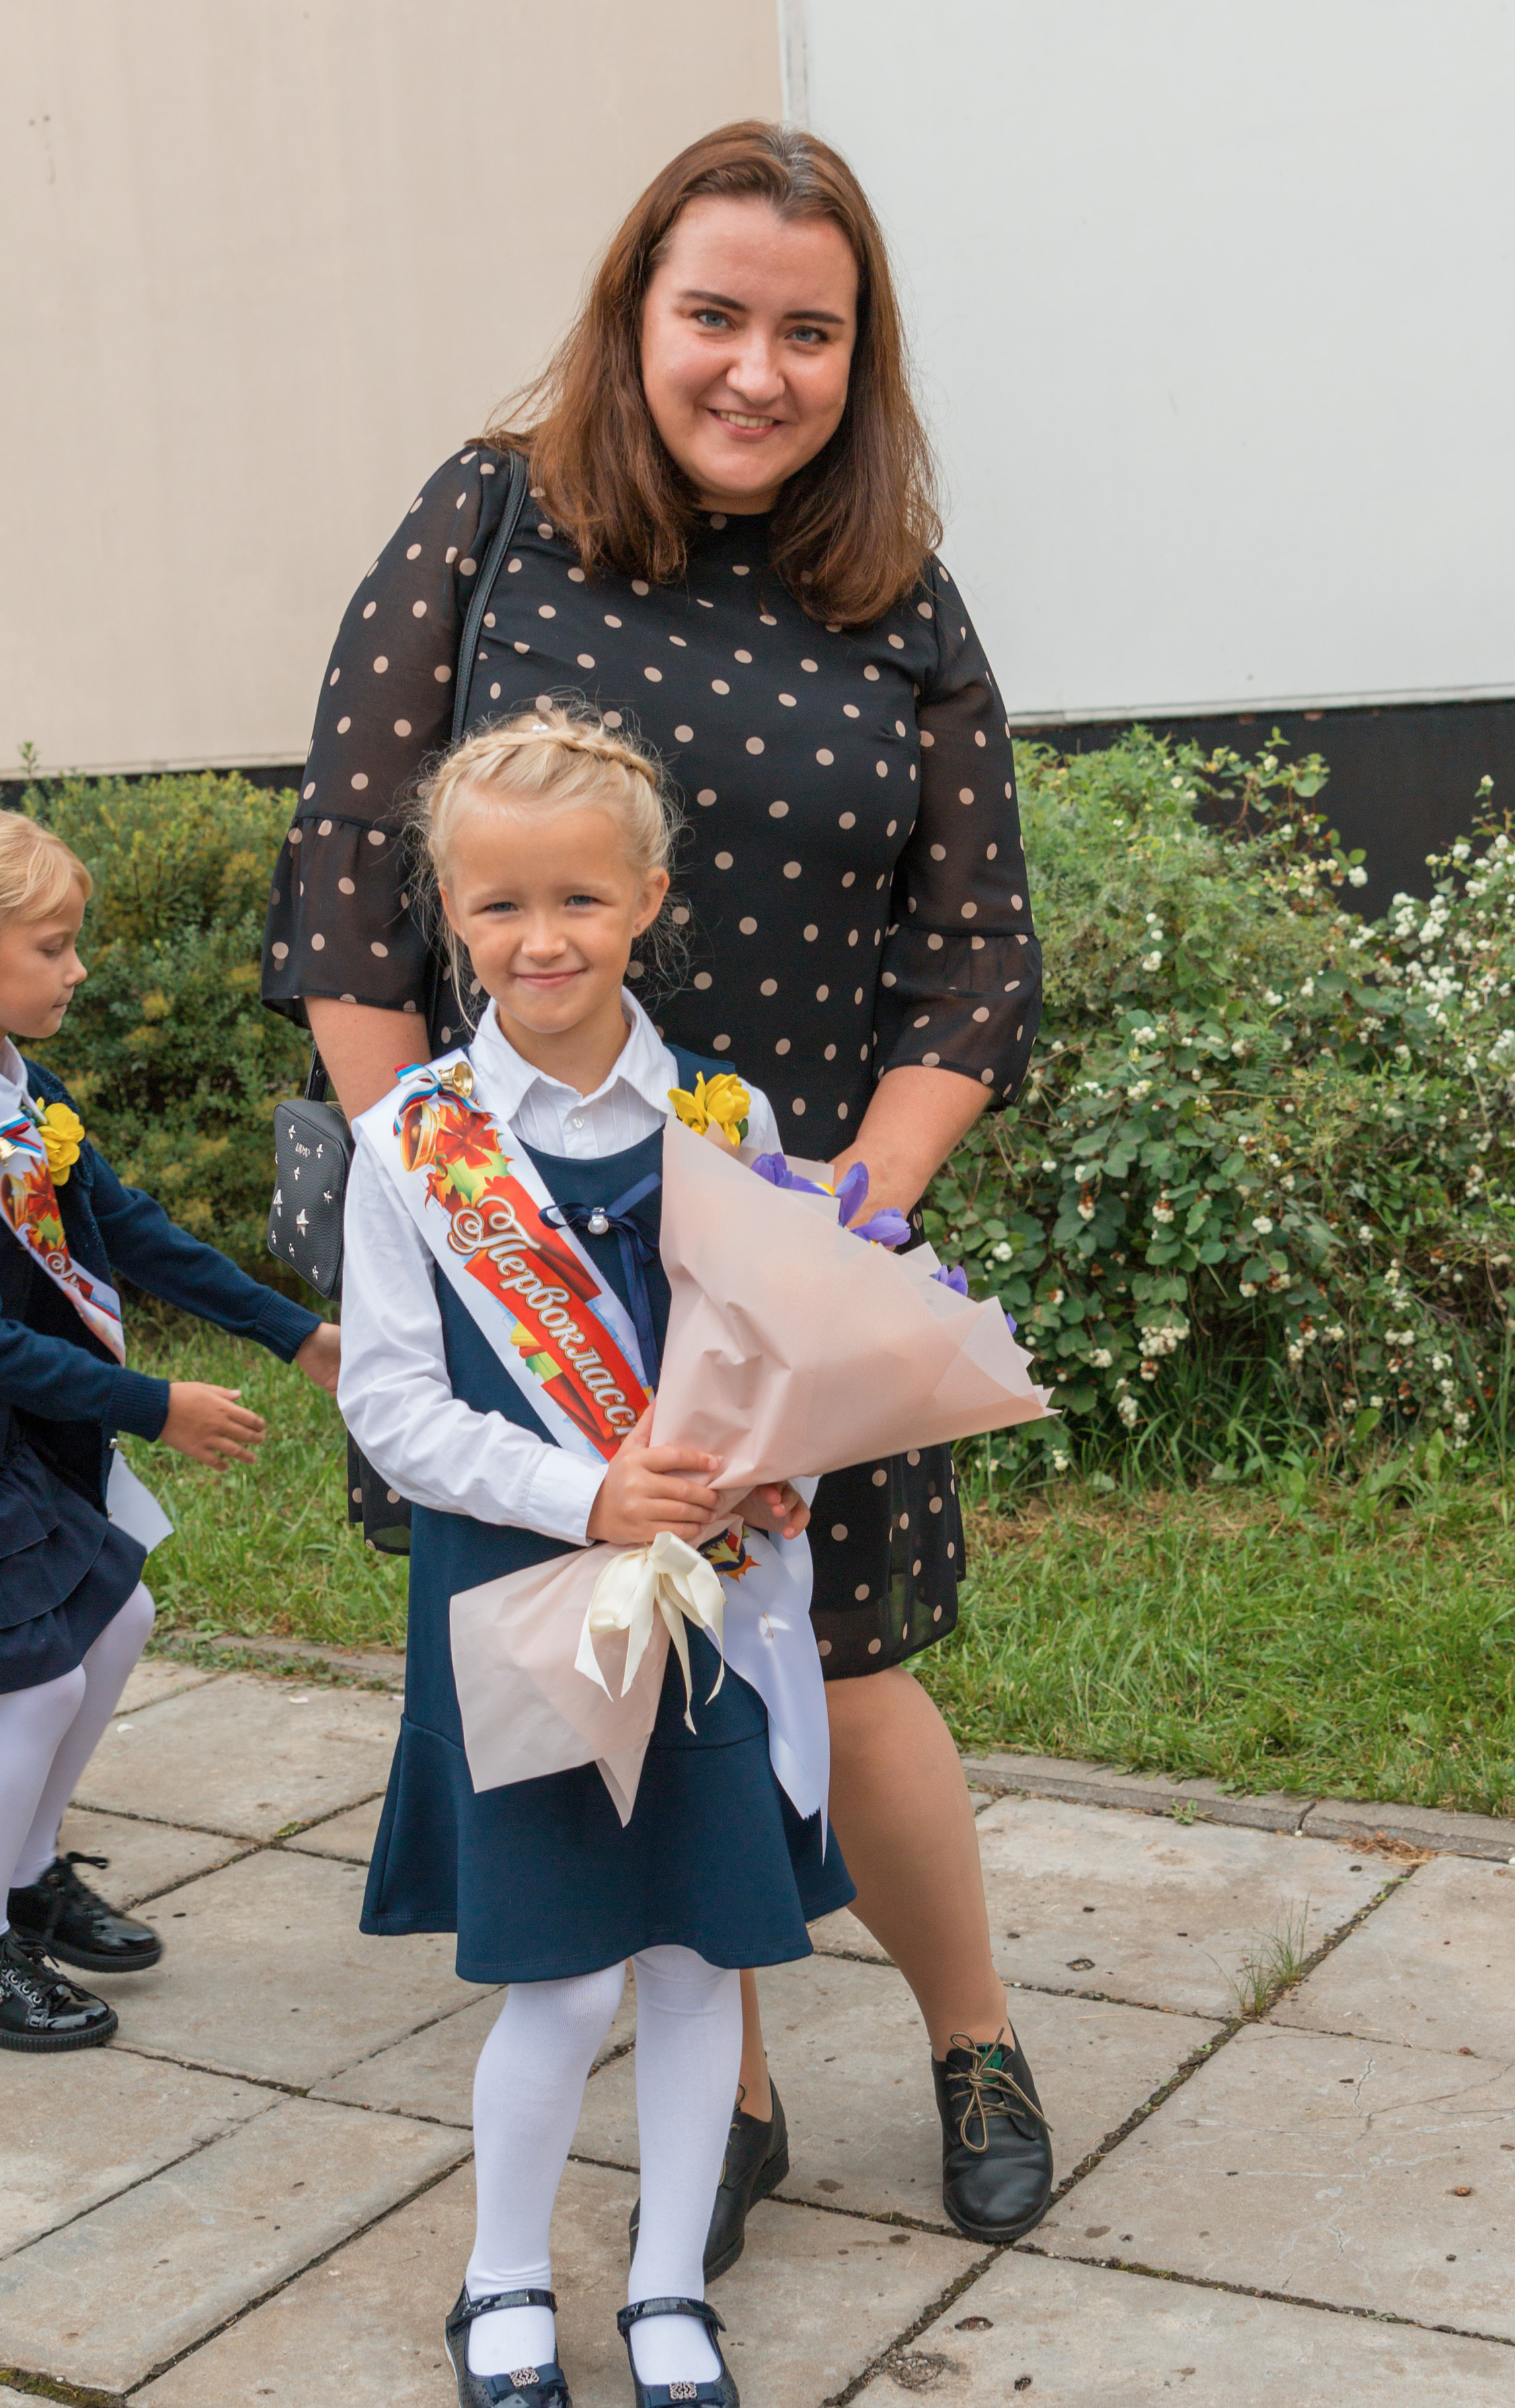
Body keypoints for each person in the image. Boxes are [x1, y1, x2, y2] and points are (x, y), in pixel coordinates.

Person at [265, 119, 1051, 2253]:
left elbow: (973, 950)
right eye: (714, 314)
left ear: (857, 359)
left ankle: (975, 2040)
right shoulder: (488, 523)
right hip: (530, 1238)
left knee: (849, 1664)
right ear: (635, 316)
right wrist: (424, 1193)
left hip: (785, 1257)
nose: (756, 368)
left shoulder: (897, 600)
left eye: (812, 331)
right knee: (633, 1659)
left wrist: (840, 1237)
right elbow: (349, 889)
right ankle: (740, 2096)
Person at [338, 705, 851, 2408]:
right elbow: (391, 1405)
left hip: (706, 1605)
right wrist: (584, 1490)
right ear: (448, 914)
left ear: (647, 899)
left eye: (575, 898)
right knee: (557, 1981)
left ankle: (665, 2289)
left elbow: (784, 1343)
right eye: (495, 907)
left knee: (705, 1961)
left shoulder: (727, 1111)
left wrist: (783, 1455)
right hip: (524, 1601)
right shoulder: (417, 1142)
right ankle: (502, 2277)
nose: (536, 939)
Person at [0, 810, 338, 2051]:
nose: (78, 969)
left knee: (122, 1617)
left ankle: (26, 1877)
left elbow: (128, 1228)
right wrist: (159, 1405)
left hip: (30, 1441)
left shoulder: (24, 1088)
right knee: (30, 1683)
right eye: (52, 946)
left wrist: (291, 1333)